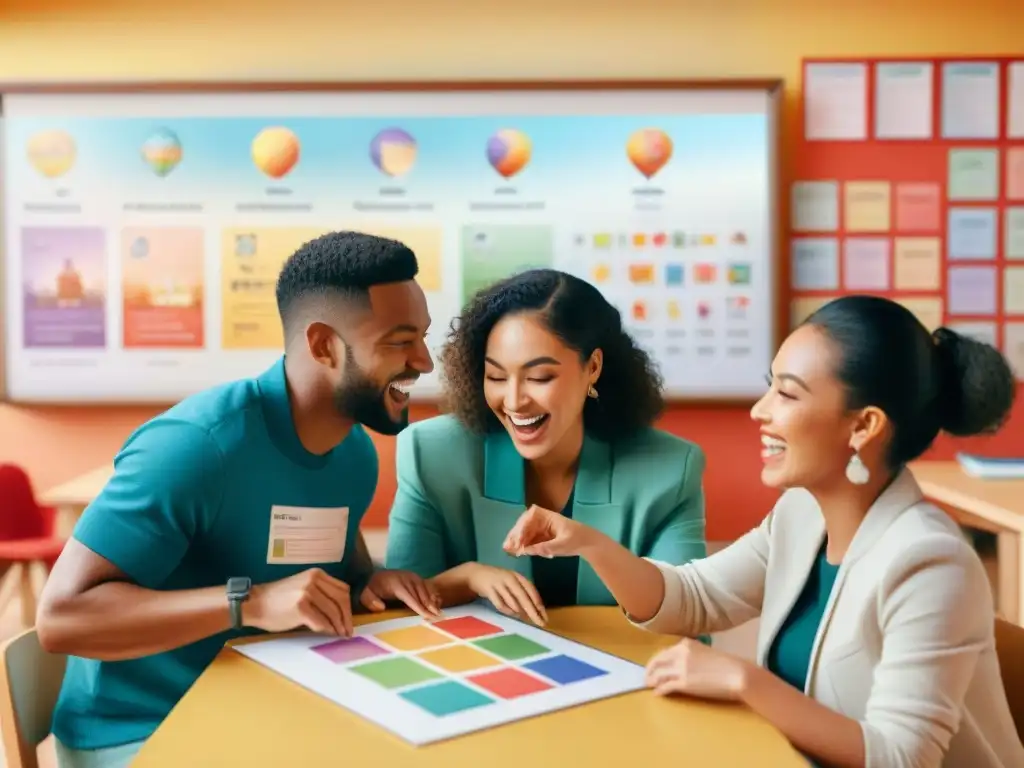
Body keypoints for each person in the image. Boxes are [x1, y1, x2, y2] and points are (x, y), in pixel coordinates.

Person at [502, 295, 1024, 768]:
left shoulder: (929, 562)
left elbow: (901, 757)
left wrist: (742, 680)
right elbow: (696, 596)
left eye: (788, 395)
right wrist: (587, 542)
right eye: (768, 385)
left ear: (863, 426)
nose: (761, 410)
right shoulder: (802, 513)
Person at [37, 231, 441, 768]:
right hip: (140, 731)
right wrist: (248, 602)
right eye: (400, 341)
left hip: (263, 705)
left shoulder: (354, 453)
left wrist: (369, 581)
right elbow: (61, 619)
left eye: (424, 338)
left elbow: (331, 567)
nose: (425, 361)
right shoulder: (197, 446)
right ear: (324, 345)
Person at [385, 268, 707, 625]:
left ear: (593, 368)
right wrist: (470, 578)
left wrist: (592, 546)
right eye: (495, 376)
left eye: (539, 377)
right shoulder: (431, 454)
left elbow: (687, 620)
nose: (513, 400)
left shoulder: (670, 469)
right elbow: (400, 609)